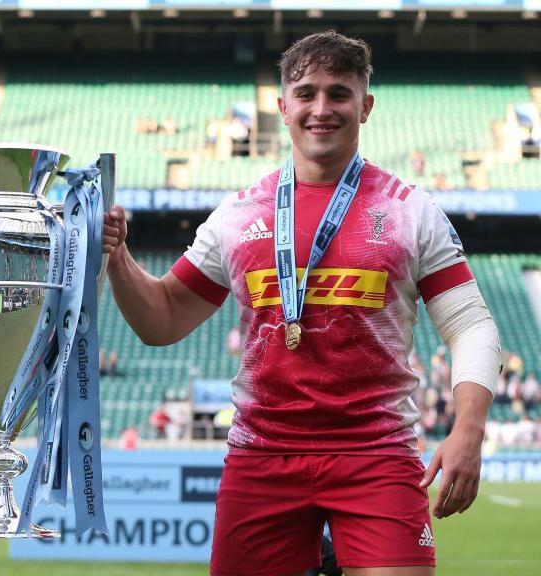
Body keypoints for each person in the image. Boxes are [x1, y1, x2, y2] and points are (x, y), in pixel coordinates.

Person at [102, 31, 500, 576]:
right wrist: (118, 257)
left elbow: (473, 327)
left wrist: (468, 431)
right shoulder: (238, 217)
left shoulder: (411, 211)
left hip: (376, 454)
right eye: (306, 93)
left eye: (339, 93)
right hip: (263, 456)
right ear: (283, 105)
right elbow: (163, 317)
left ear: (366, 106)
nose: (321, 108)